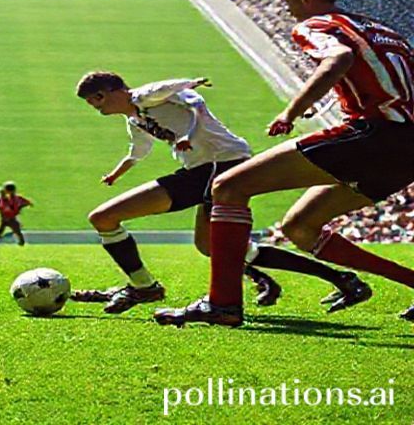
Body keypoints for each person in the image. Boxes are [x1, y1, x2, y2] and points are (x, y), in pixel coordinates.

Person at [155, 0, 414, 327]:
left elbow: (337, 58)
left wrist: (292, 111)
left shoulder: (317, 24)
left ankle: (222, 304)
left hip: (374, 135)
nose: (289, 13)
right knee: (301, 227)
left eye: (288, 2)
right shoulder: (380, 29)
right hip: (407, 148)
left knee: (227, 187)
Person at [72, 71, 367, 314]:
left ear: (115, 90)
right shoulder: (135, 118)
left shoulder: (146, 95)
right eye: (90, 102)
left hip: (222, 165)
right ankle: (336, 279)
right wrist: (117, 173)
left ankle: (144, 287)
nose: (96, 105)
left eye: (97, 98)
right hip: (203, 171)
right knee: (211, 246)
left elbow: (193, 101)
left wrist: (191, 92)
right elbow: (139, 150)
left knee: (105, 217)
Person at [0, 182, 33, 253]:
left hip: (9, 219)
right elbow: (0, 206)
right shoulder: (7, 199)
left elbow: (0, 207)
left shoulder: (14, 199)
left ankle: (21, 241)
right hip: (5, 220)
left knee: (17, 232)